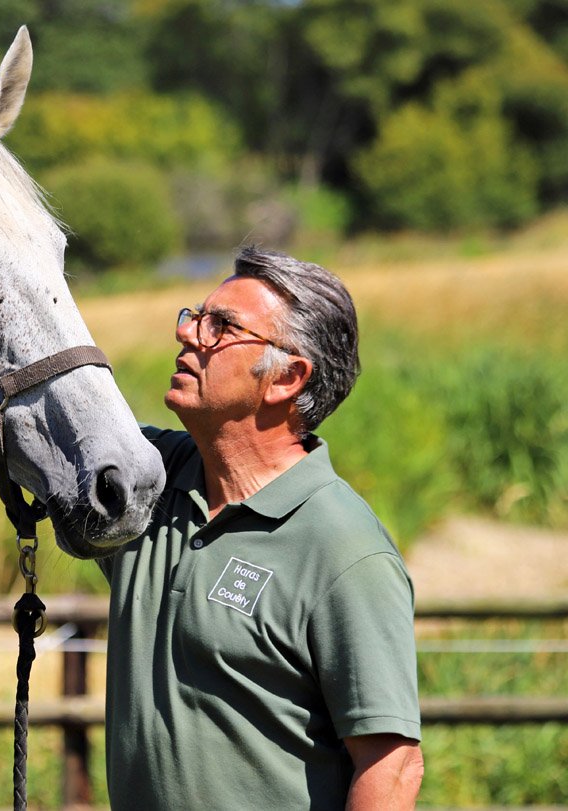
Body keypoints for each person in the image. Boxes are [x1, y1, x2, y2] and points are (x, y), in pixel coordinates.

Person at [100, 247, 423, 810]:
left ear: (286, 379)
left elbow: (392, 767)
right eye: (195, 315)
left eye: (221, 326)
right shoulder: (148, 474)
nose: (187, 333)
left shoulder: (343, 549)